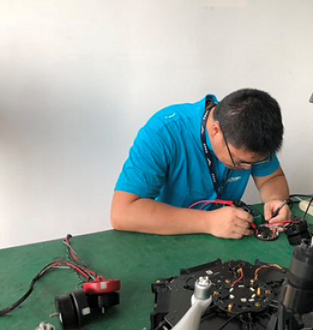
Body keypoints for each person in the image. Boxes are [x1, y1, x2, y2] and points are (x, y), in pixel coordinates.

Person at [111, 88, 292, 239]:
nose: (247, 168)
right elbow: (122, 213)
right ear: (216, 131)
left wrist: (275, 199)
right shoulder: (163, 133)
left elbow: (272, 178)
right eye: (240, 162)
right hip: (166, 237)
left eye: (255, 163)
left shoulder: (252, 136)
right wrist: (208, 222)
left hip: (225, 236)